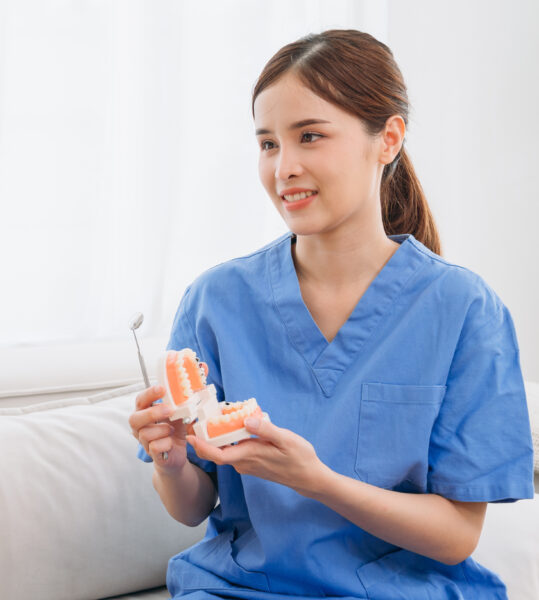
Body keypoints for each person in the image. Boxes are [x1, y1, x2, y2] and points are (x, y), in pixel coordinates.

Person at [129, 29, 533, 599]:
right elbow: (193, 507)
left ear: (387, 138)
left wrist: (317, 482)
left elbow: (456, 537)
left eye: (310, 136)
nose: (283, 167)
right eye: (268, 144)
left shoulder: (463, 311)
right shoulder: (217, 301)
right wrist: (169, 461)